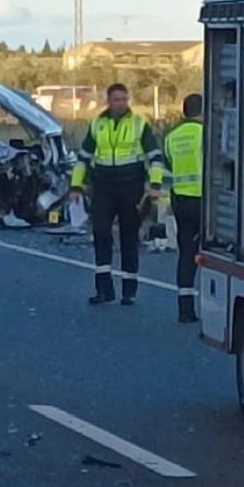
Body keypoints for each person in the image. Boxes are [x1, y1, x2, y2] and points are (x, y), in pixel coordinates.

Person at [70, 83, 164, 305]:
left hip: (131, 186)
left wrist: (155, 185)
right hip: (102, 187)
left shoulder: (139, 125)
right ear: (109, 102)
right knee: (101, 236)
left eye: (124, 99)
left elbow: (156, 157)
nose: (122, 103)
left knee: (128, 238)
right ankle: (104, 290)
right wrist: (75, 187)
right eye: (117, 99)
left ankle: (129, 291)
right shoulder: (97, 125)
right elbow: (83, 158)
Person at [164, 93, 204, 322]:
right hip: (202, 200)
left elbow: (169, 164)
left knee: (186, 254)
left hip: (180, 200)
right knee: (213, 253)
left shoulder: (172, 136)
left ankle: (185, 309)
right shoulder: (204, 133)